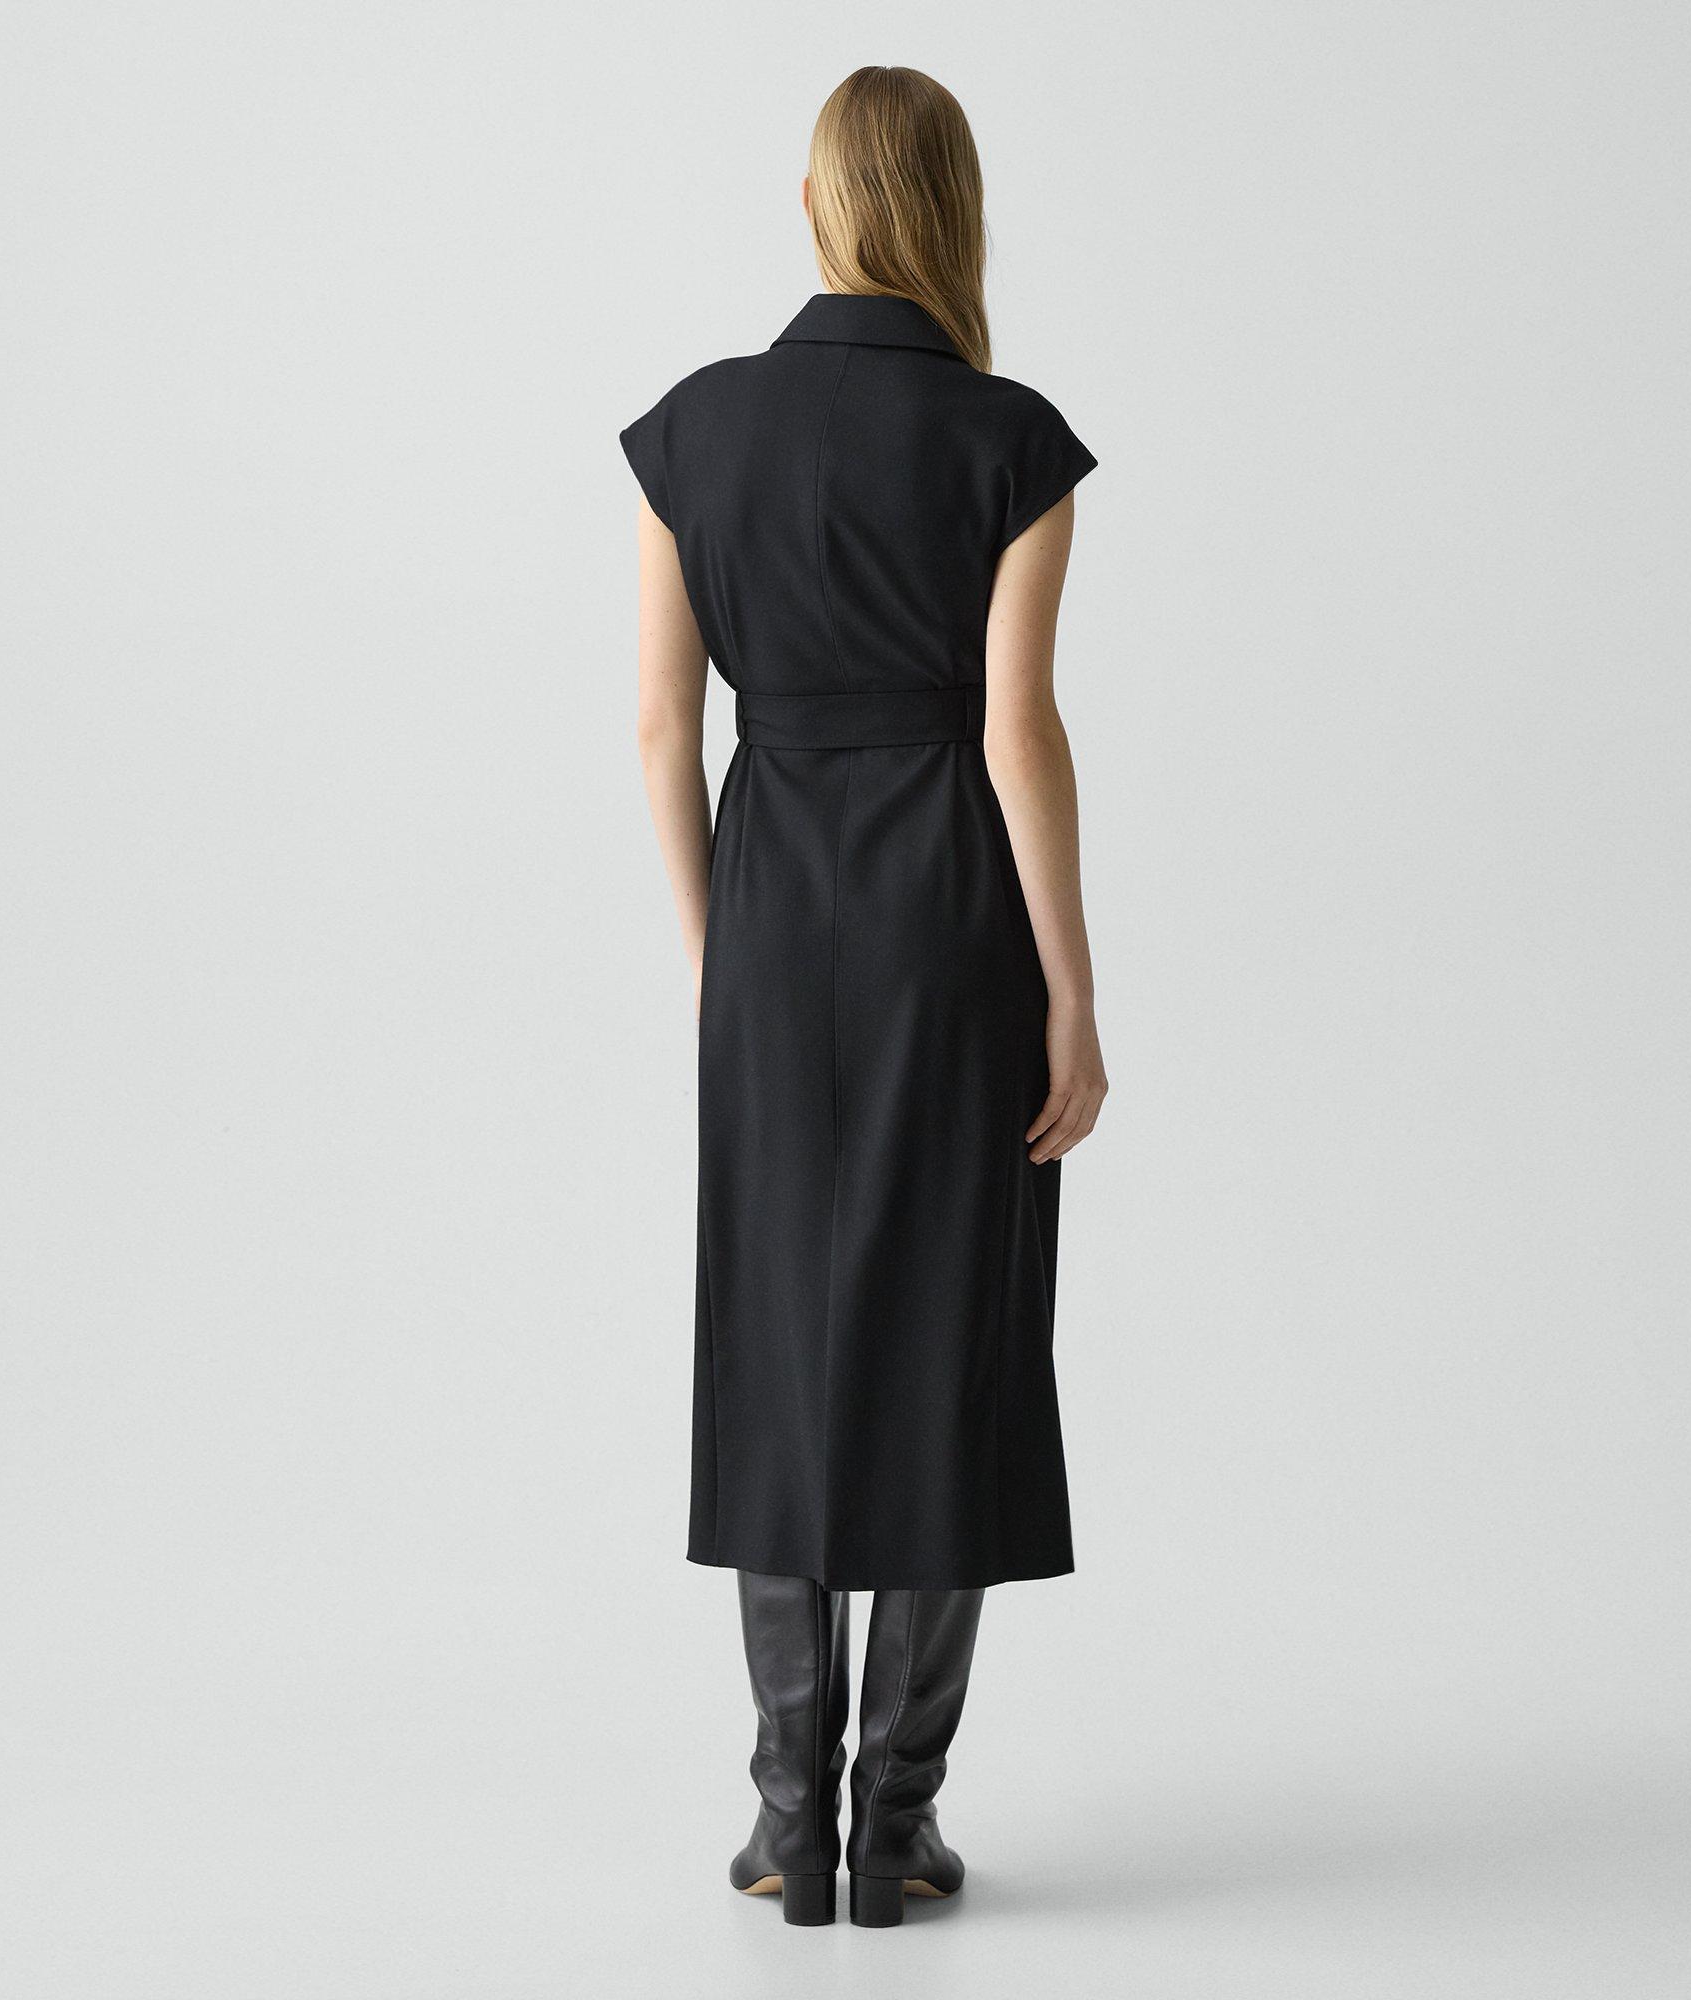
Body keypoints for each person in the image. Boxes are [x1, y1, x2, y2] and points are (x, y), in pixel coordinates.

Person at [621, 65, 1107, 1928]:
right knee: (947, 1338)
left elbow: (660, 728)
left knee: (777, 1330)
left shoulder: (692, 432)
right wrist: (1071, 999)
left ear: (819, 206)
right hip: (949, 925)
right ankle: (893, 1822)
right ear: (954, 214)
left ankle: (784, 1818)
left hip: (772, 914)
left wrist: (714, 954)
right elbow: (1017, 732)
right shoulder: (1011, 442)